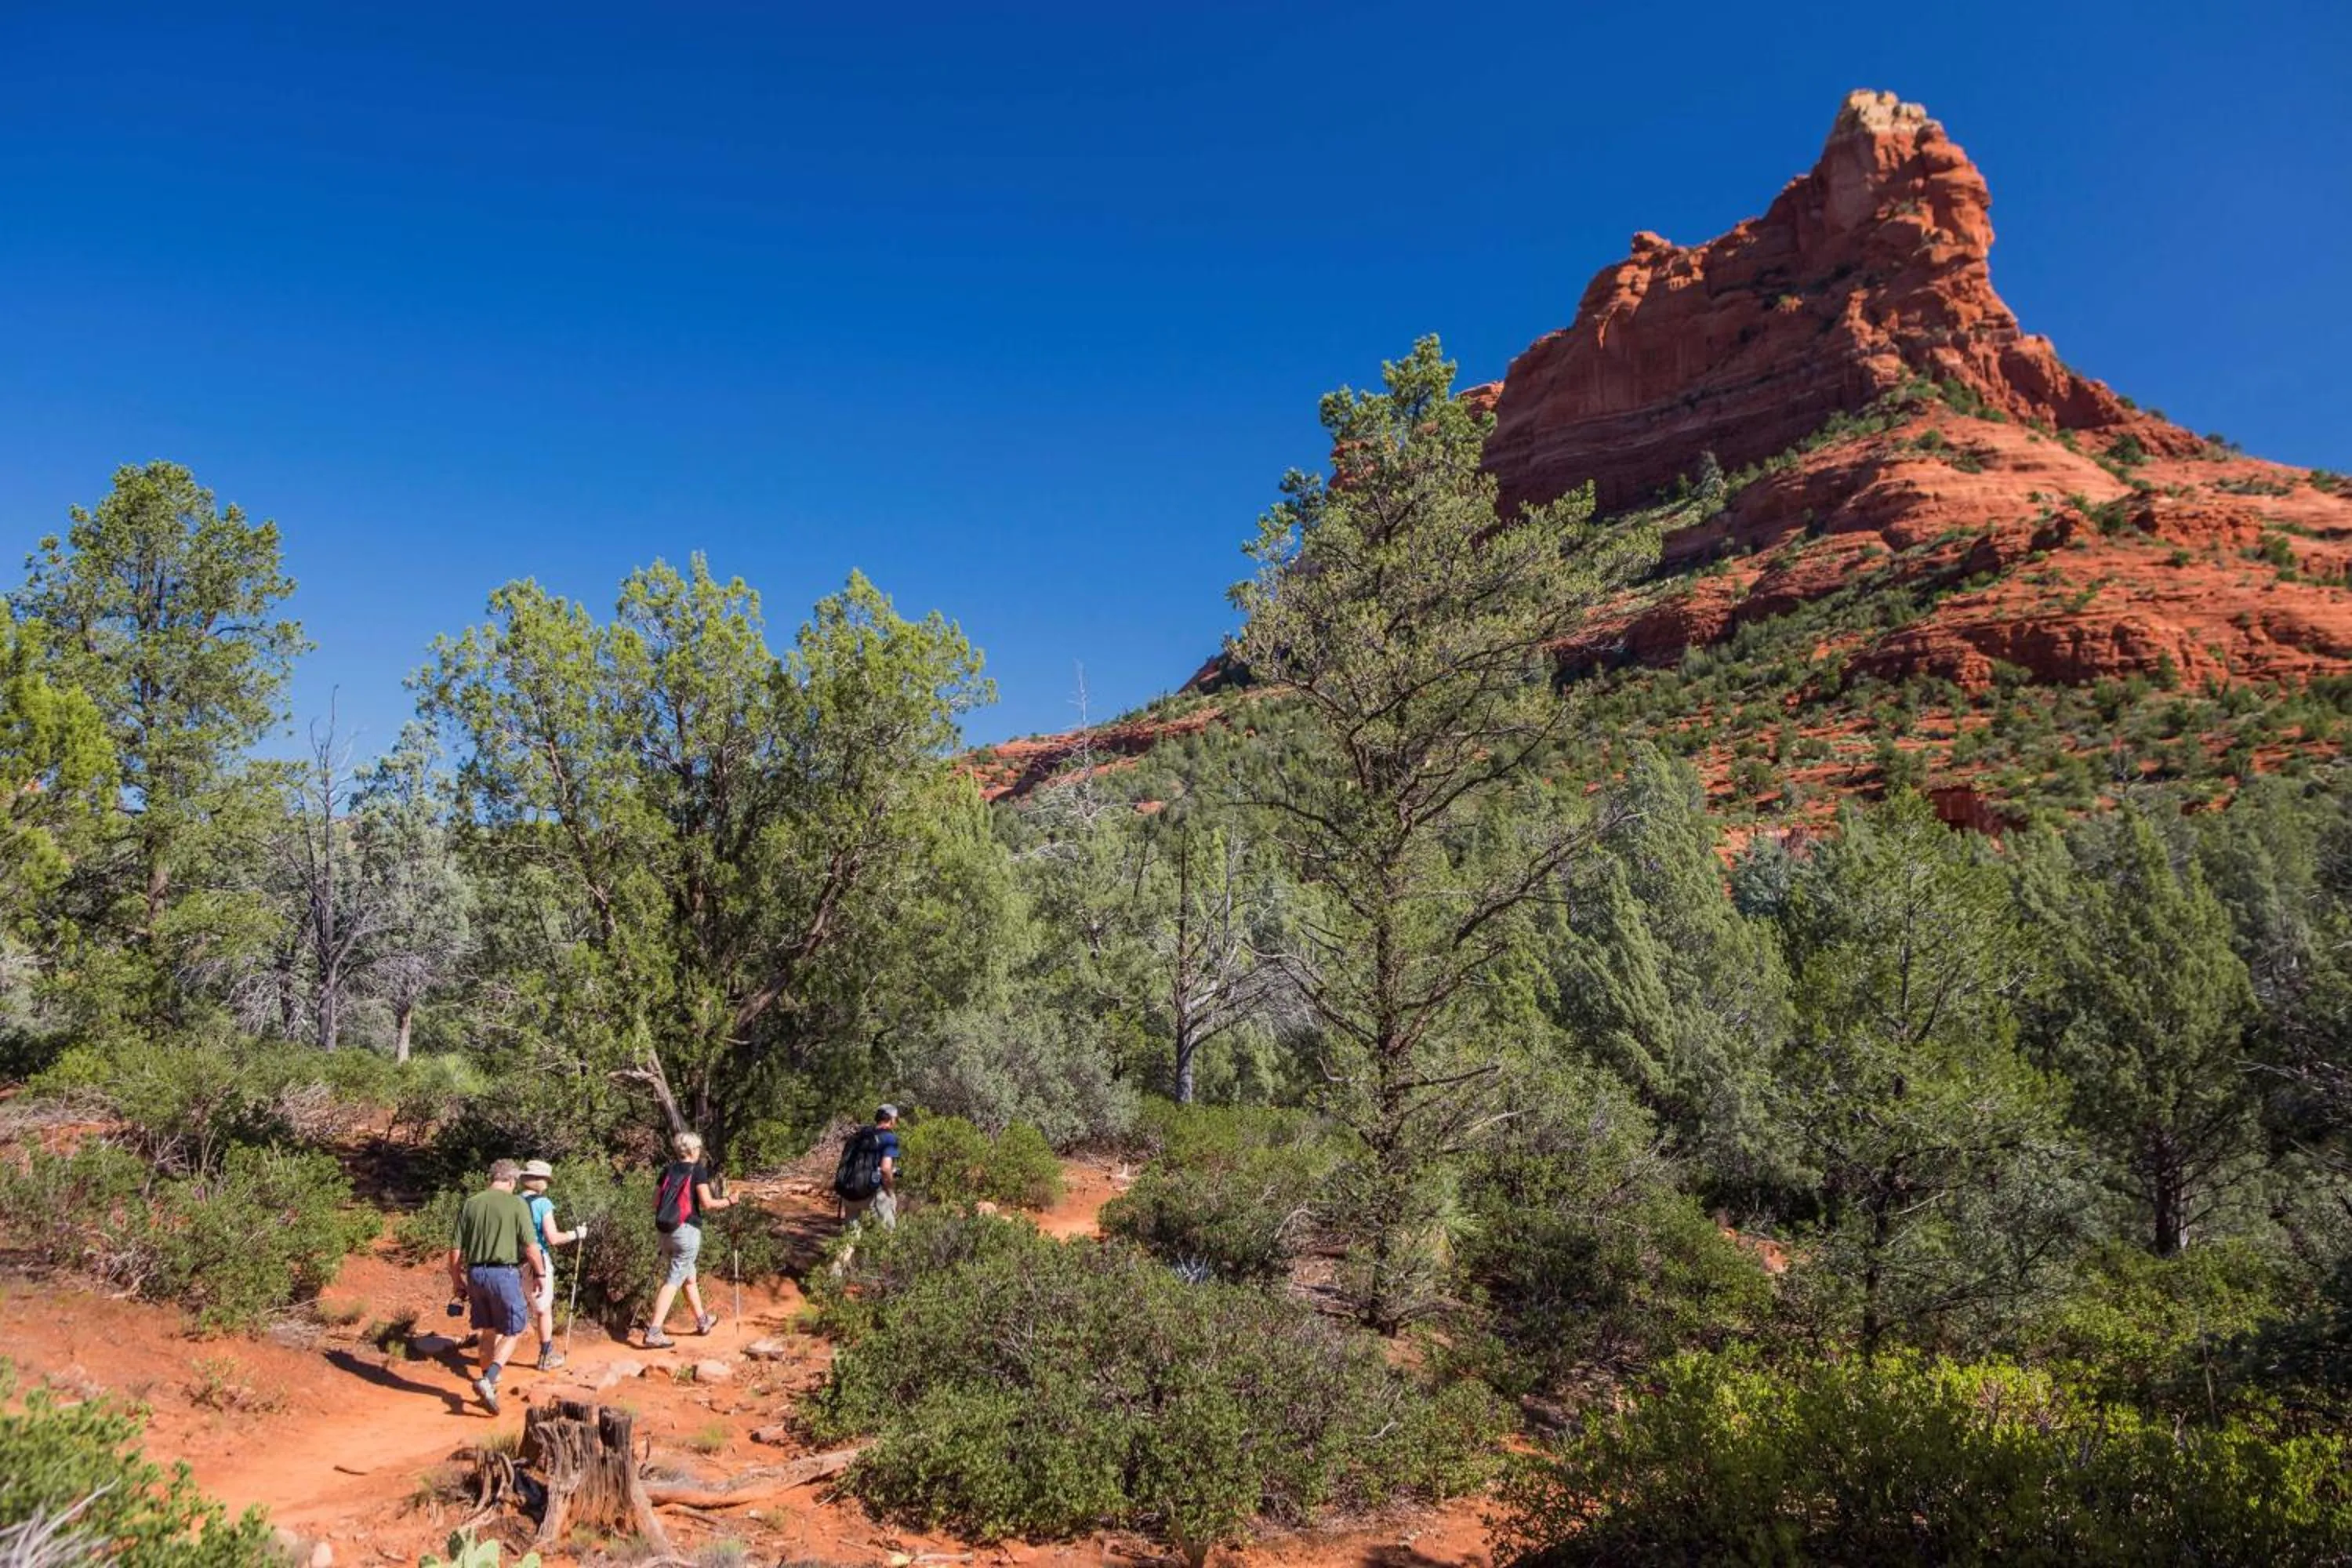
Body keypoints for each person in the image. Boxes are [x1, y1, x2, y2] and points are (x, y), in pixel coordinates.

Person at [445, 1160, 546, 1415]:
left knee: (488, 1331)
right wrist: (540, 1273)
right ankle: (488, 1380)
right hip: (504, 1274)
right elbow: (530, 1246)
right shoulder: (516, 1204)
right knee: (517, 1328)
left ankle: (489, 1386)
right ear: (512, 1181)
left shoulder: (472, 1203)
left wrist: (458, 1282)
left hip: (476, 1273)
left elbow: (455, 1251)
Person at [642, 1131, 735, 1349]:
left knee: (688, 1277)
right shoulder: (698, 1171)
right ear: (693, 1150)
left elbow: (655, 1202)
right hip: (687, 1231)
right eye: (698, 1148)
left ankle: (702, 1321)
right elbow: (708, 1203)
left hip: (665, 1232)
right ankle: (654, 1331)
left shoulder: (666, 1170)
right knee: (673, 1280)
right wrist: (730, 1201)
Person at [517, 1159, 587, 1372]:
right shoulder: (543, 1204)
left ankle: (494, 1362)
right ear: (540, 1181)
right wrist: (576, 1234)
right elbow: (553, 1237)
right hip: (537, 1260)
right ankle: (546, 1354)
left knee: (515, 1308)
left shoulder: (515, 1201)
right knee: (543, 1309)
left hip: (515, 1261)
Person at [836, 1104, 902, 1234]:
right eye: (896, 1119)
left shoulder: (861, 1134)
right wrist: (889, 1191)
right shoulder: (889, 1138)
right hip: (871, 1193)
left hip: (849, 1192)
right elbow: (885, 1169)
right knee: (888, 1235)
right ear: (891, 1119)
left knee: (850, 1239)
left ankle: (842, 1254)